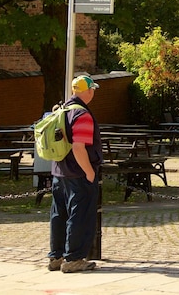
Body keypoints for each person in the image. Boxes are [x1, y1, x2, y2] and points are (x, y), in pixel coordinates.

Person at [48, 75, 104, 273]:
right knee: (79, 215)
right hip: (78, 173)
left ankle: (56, 256)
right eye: (93, 89)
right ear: (88, 91)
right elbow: (79, 147)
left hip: (59, 171)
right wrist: (89, 172)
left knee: (58, 214)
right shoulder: (82, 115)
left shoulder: (62, 110)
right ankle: (73, 258)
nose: (94, 93)